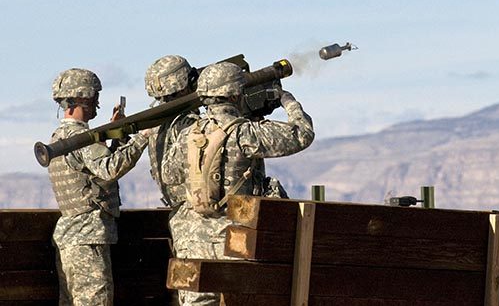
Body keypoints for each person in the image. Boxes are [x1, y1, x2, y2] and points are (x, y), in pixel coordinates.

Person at [165, 61, 314, 306]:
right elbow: (302, 134)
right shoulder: (244, 132)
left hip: (190, 240)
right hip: (233, 240)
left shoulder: (186, 134)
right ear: (236, 93)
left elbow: (170, 176)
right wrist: (287, 100)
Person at [46, 68, 152, 306]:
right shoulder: (81, 137)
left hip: (72, 237)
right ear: (83, 97)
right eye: (94, 96)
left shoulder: (60, 137)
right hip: (88, 238)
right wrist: (144, 137)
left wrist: (117, 137)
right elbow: (110, 169)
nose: (97, 103)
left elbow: (96, 175)